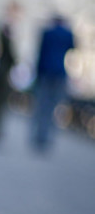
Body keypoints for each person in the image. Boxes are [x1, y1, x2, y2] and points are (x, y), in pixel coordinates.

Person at [31, 12, 75, 152]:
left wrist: (37, 74)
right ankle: (47, 138)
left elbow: (40, 53)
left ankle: (39, 135)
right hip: (59, 74)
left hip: (45, 73)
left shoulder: (47, 33)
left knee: (42, 105)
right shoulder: (68, 34)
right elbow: (72, 48)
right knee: (54, 107)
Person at [0, 0, 21, 142]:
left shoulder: (7, 26)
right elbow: (7, 49)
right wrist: (15, 61)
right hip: (3, 68)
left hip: (3, 67)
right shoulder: (6, 26)